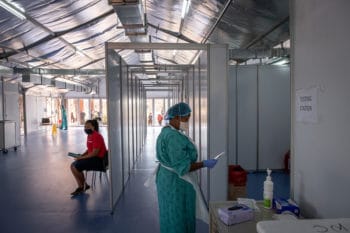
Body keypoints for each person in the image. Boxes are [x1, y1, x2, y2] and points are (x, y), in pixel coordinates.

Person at [156, 102, 218, 233]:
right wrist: (204, 163)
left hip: (167, 179)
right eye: (186, 118)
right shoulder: (173, 137)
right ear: (176, 117)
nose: (188, 121)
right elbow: (182, 167)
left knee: (169, 213)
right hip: (176, 182)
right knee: (178, 216)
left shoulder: (168, 131)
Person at [70, 119, 107, 196]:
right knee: (72, 166)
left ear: (93, 127)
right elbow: (89, 149)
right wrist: (82, 155)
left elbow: (94, 153)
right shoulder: (89, 136)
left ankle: (82, 186)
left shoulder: (97, 136)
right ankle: (83, 185)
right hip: (92, 158)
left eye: (88, 127)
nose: (86, 128)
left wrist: (81, 158)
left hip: (99, 160)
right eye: (85, 127)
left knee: (76, 166)